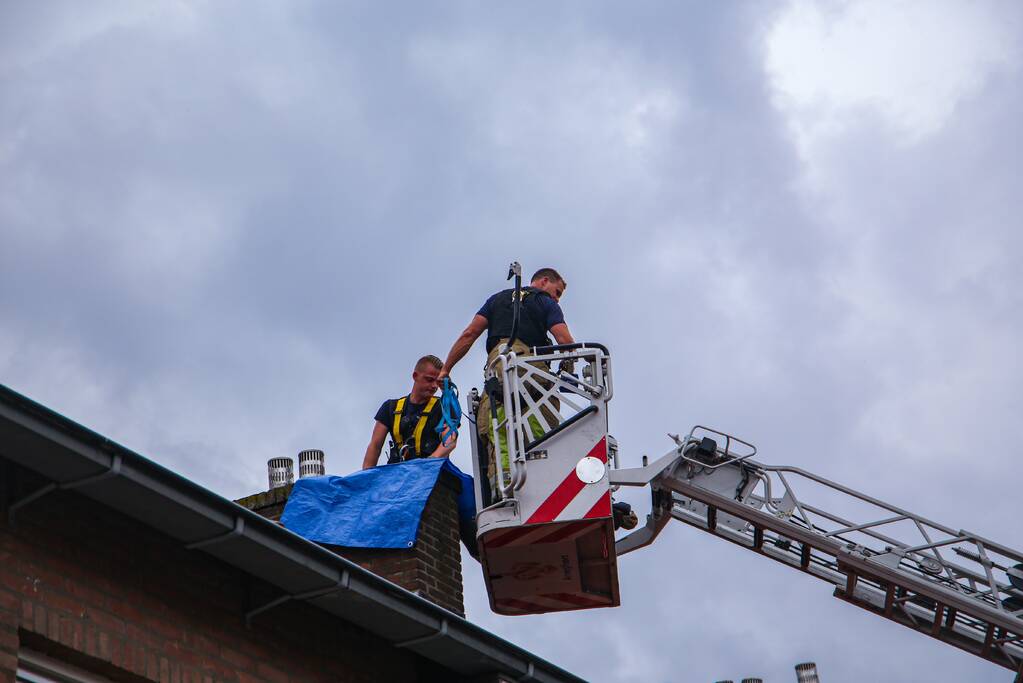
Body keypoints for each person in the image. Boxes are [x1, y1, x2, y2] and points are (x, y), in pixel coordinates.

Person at [438, 267, 575, 501]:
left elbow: (469, 334)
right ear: (544, 281)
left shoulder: (496, 300)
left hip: (497, 375)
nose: (556, 297)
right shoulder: (546, 303)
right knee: (540, 423)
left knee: (494, 427)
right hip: (531, 370)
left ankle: (500, 491)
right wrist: (569, 364)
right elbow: (565, 340)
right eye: (557, 291)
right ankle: (543, 486)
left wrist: (446, 369)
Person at [361, 355, 457, 469]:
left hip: (432, 477)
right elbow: (375, 446)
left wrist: (429, 464)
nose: (434, 386)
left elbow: (450, 440)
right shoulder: (390, 408)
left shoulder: (443, 408)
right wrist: (366, 479)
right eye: (429, 380)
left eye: (437, 382)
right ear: (415, 376)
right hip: (398, 478)